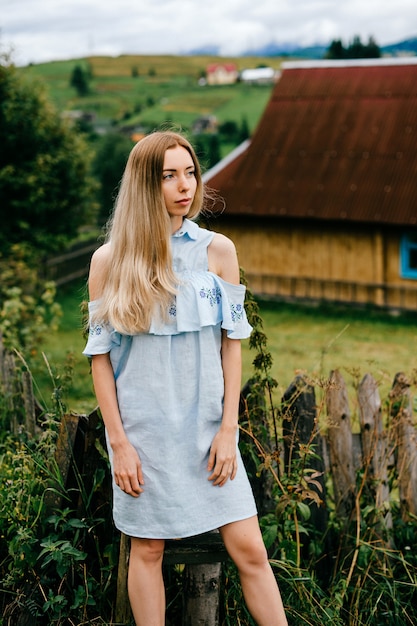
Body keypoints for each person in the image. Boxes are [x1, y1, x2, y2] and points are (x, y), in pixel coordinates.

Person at [83, 130, 288, 626]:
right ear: (143, 185)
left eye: (190, 172)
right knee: (147, 553)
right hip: (143, 437)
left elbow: (231, 347)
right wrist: (120, 444)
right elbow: (100, 358)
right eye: (168, 175)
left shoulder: (218, 251)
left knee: (252, 554)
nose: (185, 185)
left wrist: (227, 429)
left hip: (208, 436)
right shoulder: (109, 262)